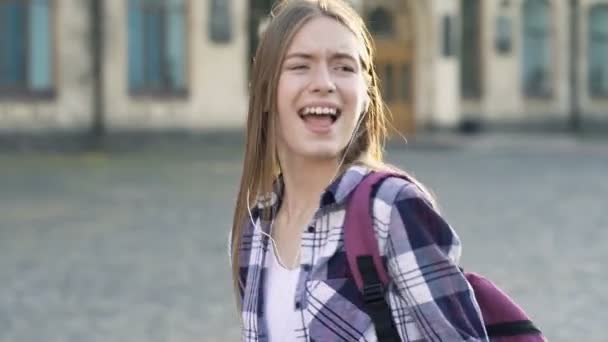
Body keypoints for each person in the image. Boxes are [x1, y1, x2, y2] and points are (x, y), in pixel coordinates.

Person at [230, 0, 489, 340]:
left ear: (366, 95)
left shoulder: (391, 209)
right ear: (264, 92)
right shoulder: (254, 230)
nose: (324, 83)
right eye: (300, 66)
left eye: (343, 67)